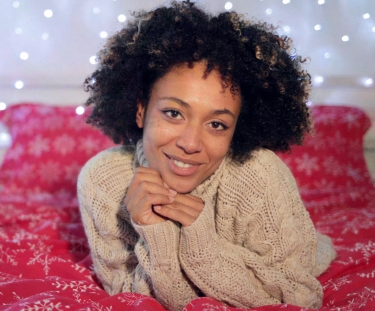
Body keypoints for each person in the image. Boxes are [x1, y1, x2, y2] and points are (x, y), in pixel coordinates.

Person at [77, 1, 337, 310]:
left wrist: (201, 243)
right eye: (174, 113)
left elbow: (301, 296)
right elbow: (125, 294)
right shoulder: (102, 180)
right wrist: (157, 234)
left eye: (216, 124)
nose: (190, 143)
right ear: (141, 110)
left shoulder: (258, 174)